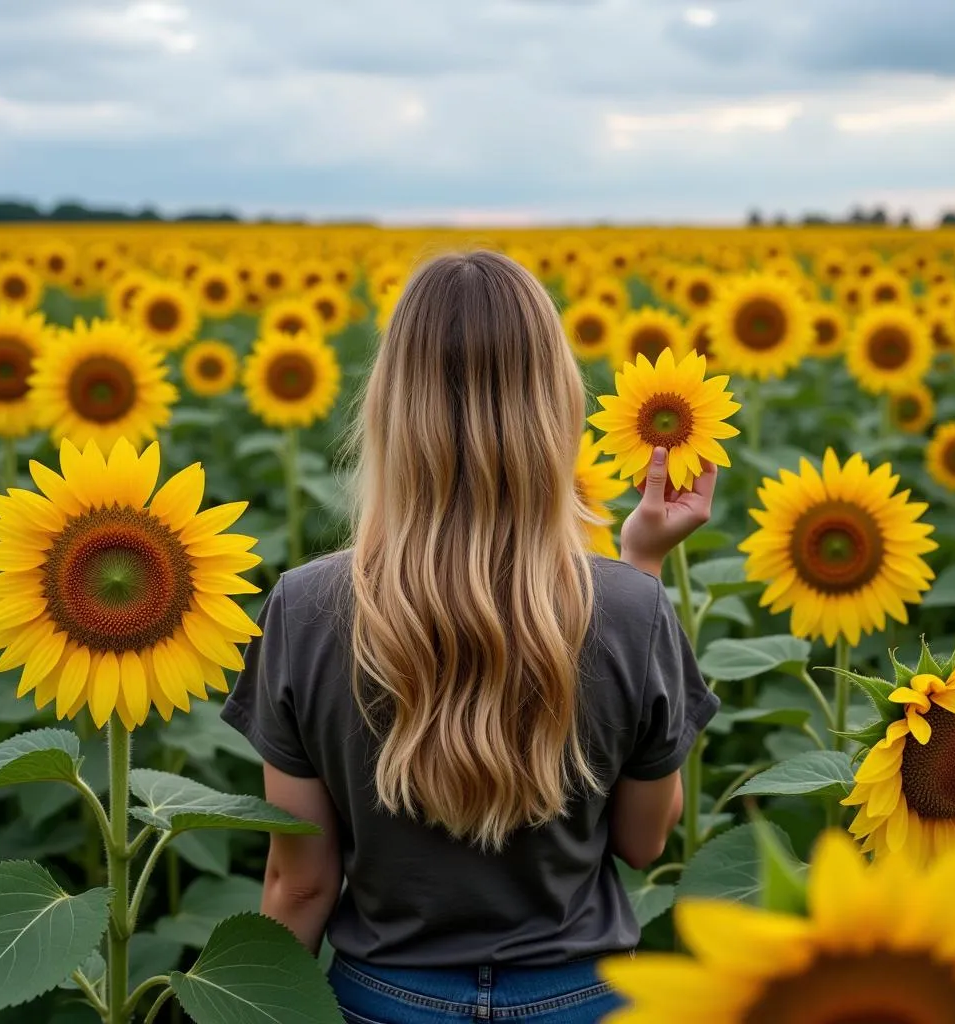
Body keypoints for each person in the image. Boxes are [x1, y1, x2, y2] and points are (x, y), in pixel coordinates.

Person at [221, 250, 720, 1023]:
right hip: (580, 998)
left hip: (386, 998)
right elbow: (644, 841)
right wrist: (640, 567)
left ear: (388, 406)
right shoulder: (631, 609)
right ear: (556, 404)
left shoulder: (304, 606)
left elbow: (302, 884)